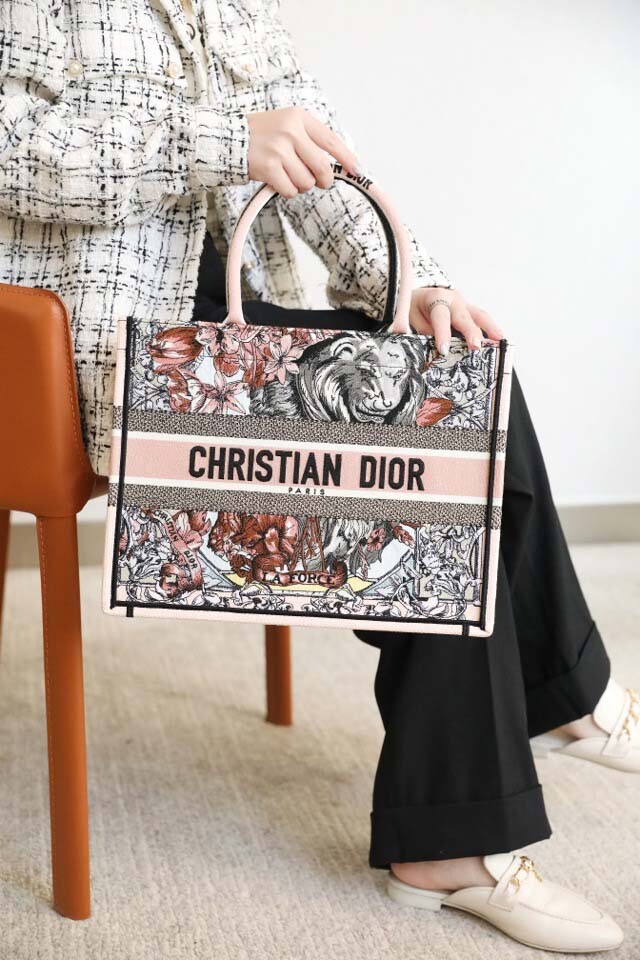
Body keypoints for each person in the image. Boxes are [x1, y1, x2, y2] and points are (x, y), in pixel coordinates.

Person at [0, 1, 636, 951]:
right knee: (415, 439)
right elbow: (13, 150)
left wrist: (416, 286)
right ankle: (485, 802)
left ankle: (545, 718)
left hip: (225, 323)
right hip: (86, 348)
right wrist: (216, 140)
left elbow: (323, 167)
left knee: (460, 381)